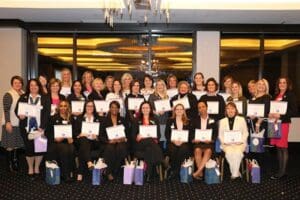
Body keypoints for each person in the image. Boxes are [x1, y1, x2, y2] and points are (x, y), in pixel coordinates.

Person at [15, 79, 51, 177]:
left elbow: (47, 114)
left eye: (36, 85)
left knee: (40, 148)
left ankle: (37, 167)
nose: (33, 87)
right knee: (29, 148)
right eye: (31, 85)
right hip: (27, 128)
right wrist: (20, 115)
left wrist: (42, 127)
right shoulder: (23, 97)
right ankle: (30, 167)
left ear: (39, 87)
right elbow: (17, 110)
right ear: (28, 87)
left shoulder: (45, 98)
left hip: (40, 128)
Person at [269, 77, 297, 180]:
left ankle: (282, 172)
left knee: (283, 147)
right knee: (278, 147)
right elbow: (272, 108)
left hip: (283, 124)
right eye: (280, 82)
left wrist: (280, 116)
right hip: (273, 124)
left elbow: (294, 111)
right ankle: (280, 169)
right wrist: (271, 114)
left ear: (287, 84)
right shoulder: (275, 95)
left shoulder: (290, 95)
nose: (282, 84)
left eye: (284, 82)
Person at [132, 102, 163, 181]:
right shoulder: (136, 120)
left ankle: (148, 174)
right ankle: (162, 160)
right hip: (139, 144)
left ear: (150, 109)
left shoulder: (155, 119)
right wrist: (137, 137)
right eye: (143, 108)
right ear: (141, 109)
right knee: (149, 139)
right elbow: (132, 135)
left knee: (149, 149)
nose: (145, 109)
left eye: (147, 108)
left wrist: (155, 137)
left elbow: (158, 135)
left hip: (151, 145)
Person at [45, 100, 75, 182]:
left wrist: (72, 138)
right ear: (58, 107)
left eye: (65, 106)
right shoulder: (53, 118)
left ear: (68, 107)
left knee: (71, 148)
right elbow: (47, 132)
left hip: (67, 141)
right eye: (61, 106)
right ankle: (66, 174)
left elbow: (75, 131)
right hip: (56, 142)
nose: (63, 108)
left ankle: (70, 172)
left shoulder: (71, 118)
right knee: (64, 149)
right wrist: (54, 138)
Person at [218, 102, 249, 180]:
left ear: (235, 110)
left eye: (232, 108)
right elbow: (220, 135)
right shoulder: (222, 121)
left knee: (238, 153)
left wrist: (241, 141)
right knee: (229, 153)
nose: (230, 110)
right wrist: (224, 142)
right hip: (227, 144)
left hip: (239, 144)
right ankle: (236, 173)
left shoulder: (241, 119)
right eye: (228, 108)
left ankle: (234, 173)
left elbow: (246, 133)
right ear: (226, 110)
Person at [74, 100, 102, 181]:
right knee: (84, 141)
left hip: (94, 142)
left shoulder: (98, 119)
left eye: (91, 106)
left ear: (94, 108)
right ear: (85, 107)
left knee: (83, 148)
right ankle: (89, 162)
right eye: (88, 106)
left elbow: (101, 133)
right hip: (83, 140)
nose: (90, 108)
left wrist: (96, 137)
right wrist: (80, 134)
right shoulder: (79, 118)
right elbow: (75, 132)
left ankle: (80, 172)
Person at [101, 101, 129, 181]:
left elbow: (127, 133)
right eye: (112, 107)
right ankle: (109, 172)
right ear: (109, 109)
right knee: (110, 149)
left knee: (121, 148)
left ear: (119, 109)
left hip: (121, 142)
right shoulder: (104, 120)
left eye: (116, 107)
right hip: (109, 142)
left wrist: (124, 138)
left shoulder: (123, 120)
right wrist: (108, 141)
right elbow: (101, 136)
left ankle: (114, 168)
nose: (114, 109)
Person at [1, 76, 24, 172]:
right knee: (10, 145)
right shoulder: (8, 94)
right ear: (12, 84)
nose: (18, 84)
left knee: (17, 145)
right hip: (10, 123)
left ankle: (15, 162)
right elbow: (6, 110)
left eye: (19, 82)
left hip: (19, 123)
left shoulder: (23, 94)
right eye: (15, 83)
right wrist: (7, 122)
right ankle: (9, 165)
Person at [190, 101, 217, 180]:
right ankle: (200, 172)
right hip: (198, 142)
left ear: (207, 107)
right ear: (198, 109)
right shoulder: (195, 120)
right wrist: (193, 139)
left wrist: (211, 140)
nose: (201, 109)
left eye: (203, 106)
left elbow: (215, 133)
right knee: (197, 150)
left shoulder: (213, 120)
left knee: (208, 150)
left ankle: (198, 172)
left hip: (208, 143)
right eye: (199, 107)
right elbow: (191, 133)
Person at [165, 103, 191, 179]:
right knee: (173, 149)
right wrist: (173, 141)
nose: (179, 111)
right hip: (173, 142)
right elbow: (167, 134)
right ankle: (177, 170)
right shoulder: (170, 120)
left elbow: (190, 134)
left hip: (184, 142)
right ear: (174, 111)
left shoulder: (188, 121)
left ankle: (174, 171)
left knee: (183, 149)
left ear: (183, 111)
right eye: (177, 109)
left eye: (181, 109)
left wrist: (183, 141)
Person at [148, 79, 169, 151]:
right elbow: (149, 109)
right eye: (158, 84)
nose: (160, 86)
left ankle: (163, 159)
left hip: (165, 121)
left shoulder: (167, 97)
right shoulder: (152, 96)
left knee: (164, 140)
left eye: (161, 84)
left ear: (164, 86)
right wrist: (156, 112)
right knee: (157, 141)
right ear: (155, 86)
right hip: (156, 121)